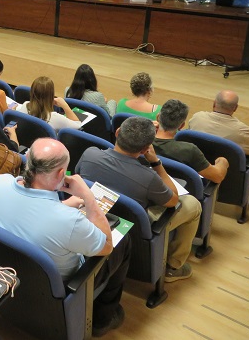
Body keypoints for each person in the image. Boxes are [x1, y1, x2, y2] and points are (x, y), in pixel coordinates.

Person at [0, 138, 130, 337]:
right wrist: (88, 197)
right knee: (123, 242)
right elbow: (106, 246)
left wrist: (66, 206)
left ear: (27, 158)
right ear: (62, 174)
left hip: (10, 276)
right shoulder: (68, 221)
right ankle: (103, 318)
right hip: (61, 287)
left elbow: (31, 215)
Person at [76, 117, 202, 283]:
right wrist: (156, 163)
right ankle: (174, 267)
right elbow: (173, 200)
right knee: (193, 205)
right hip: (136, 228)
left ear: (118, 132)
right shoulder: (149, 177)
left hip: (92, 220)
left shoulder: (89, 154)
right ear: (145, 150)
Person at [188, 90, 249, 205]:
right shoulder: (241, 131)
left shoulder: (197, 118)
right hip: (226, 173)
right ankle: (247, 194)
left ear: (214, 103)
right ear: (235, 108)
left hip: (197, 169)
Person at [153, 99, 228, 184]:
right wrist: (223, 161)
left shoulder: (140, 138)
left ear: (158, 117)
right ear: (181, 125)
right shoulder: (189, 150)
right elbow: (217, 177)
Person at [16, 76, 82, 133]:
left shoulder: (25, 105)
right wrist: (65, 106)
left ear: (32, 92)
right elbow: (78, 126)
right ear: (51, 96)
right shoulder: (54, 117)